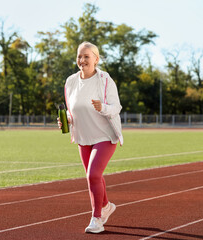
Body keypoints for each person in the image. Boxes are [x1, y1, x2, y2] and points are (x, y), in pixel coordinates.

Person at [57, 41, 123, 233]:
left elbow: (116, 107)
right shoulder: (70, 82)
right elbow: (72, 111)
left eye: (87, 56)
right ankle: (107, 207)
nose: (82, 60)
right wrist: (66, 120)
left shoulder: (105, 79)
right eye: (79, 56)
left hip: (104, 135)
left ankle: (97, 219)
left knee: (93, 174)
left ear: (96, 59)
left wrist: (102, 108)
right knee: (94, 176)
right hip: (83, 137)